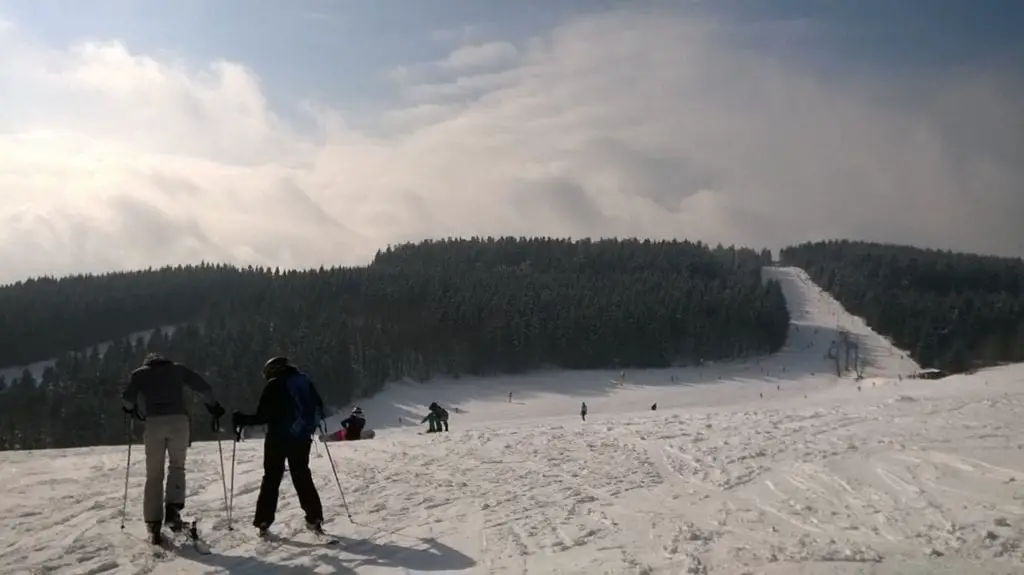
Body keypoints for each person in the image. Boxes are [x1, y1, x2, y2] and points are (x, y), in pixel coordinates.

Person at [121, 352, 225, 544]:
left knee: (154, 474)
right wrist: (213, 406)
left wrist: (131, 410)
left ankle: (153, 523)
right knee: (177, 466)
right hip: (179, 421)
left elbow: (127, 401)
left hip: (153, 423)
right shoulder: (178, 369)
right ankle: (172, 511)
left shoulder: (139, 374)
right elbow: (205, 388)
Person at [231, 356, 326, 536]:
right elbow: (319, 407)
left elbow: (262, 417)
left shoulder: (274, 385)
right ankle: (314, 518)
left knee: (272, 477)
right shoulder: (304, 382)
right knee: (302, 474)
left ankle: (264, 520)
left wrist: (241, 418)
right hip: (302, 436)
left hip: (278, 437)